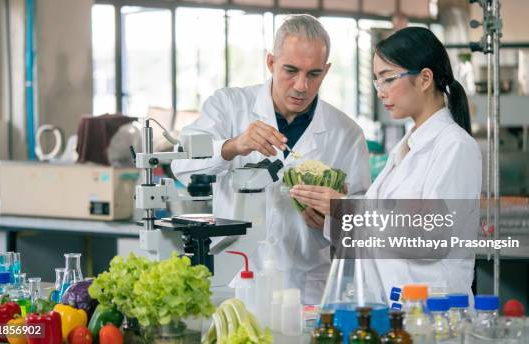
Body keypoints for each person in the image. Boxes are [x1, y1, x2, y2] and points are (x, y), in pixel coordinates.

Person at [173, 14, 371, 303]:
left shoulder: (346, 133)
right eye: (291, 70)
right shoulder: (229, 106)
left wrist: (334, 216)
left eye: (314, 74)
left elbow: (363, 225)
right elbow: (182, 165)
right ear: (270, 63)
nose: (301, 85)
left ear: (326, 71)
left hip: (307, 290)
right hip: (235, 280)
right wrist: (233, 146)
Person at [289, 27, 482, 299]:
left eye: (388, 79)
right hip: (394, 307)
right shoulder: (406, 149)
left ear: (425, 78)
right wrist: (331, 221)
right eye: (377, 82)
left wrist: (347, 210)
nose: (380, 92)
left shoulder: (454, 147)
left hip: (433, 311)